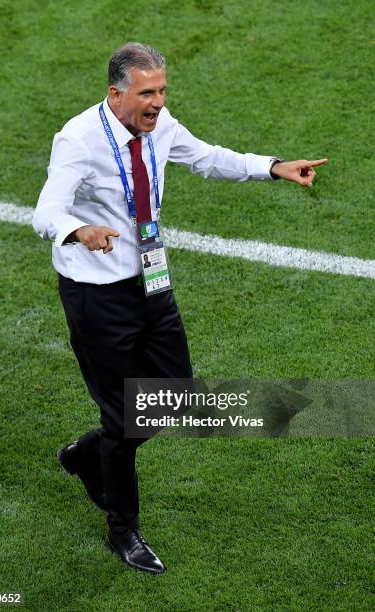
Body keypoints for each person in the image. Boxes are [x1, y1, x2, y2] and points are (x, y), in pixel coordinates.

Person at [32, 42, 327, 575]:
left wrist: (274, 167)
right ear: (116, 93)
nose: (158, 102)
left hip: (153, 282)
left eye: (163, 90)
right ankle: (123, 529)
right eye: (148, 93)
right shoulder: (77, 139)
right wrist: (80, 229)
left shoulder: (160, 126)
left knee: (176, 398)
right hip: (97, 297)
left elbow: (207, 157)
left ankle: (84, 454)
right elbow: (46, 211)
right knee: (124, 416)